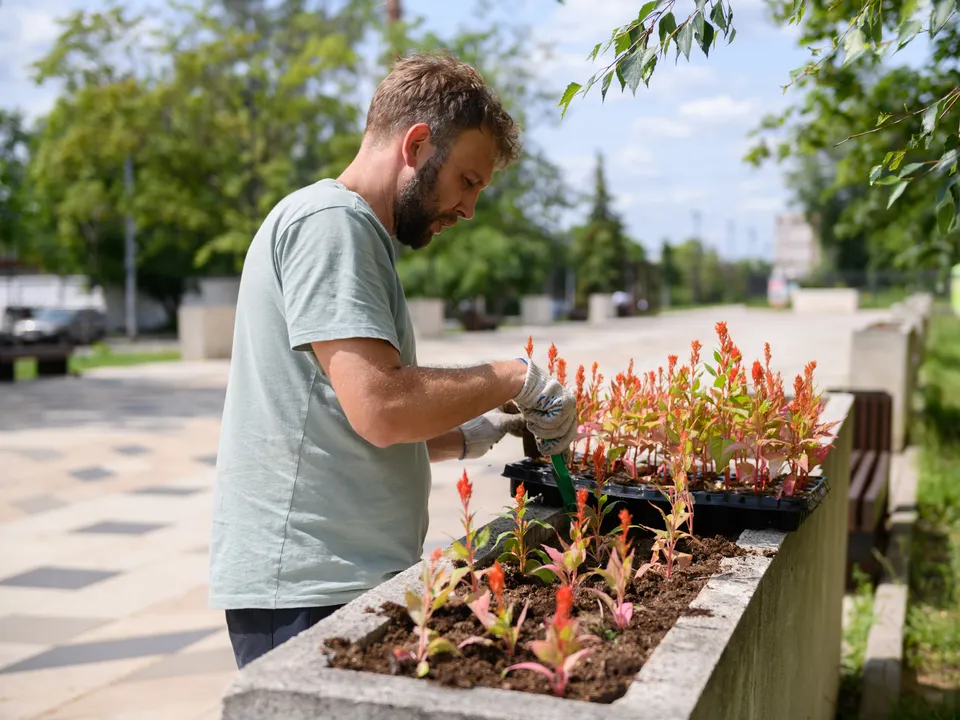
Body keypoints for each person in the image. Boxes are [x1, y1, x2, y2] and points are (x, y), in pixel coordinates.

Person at [208, 51, 578, 670]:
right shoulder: (333, 224)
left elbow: (345, 419)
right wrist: (516, 378)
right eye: (468, 180)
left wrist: (475, 431)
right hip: (311, 588)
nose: (469, 209)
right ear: (417, 144)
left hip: (329, 578)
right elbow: (381, 408)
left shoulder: (348, 229)